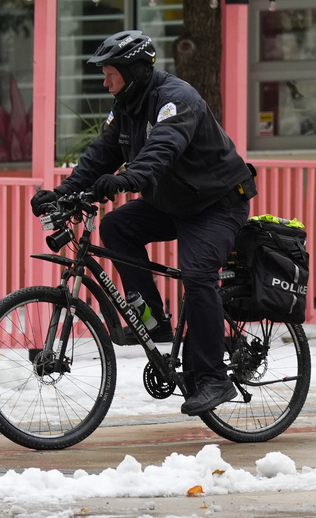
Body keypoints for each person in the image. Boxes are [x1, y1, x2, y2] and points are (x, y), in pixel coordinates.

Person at [30, 30, 257, 416]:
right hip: (173, 202)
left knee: (197, 274)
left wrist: (127, 179)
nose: (105, 82)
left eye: (110, 74)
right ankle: (154, 322)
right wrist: (64, 191)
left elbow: (163, 147)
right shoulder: (126, 106)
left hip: (216, 203)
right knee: (117, 227)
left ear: (133, 70)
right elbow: (100, 154)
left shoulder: (176, 99)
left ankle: (214, 378)